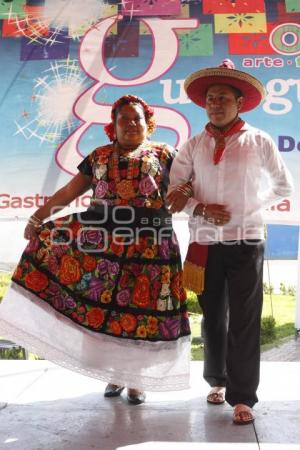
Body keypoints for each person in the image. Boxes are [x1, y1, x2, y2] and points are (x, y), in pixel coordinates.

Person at [0, 95, 191, 405]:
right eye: (123, 119)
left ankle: (136, 381)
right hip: (101, 246)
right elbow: (69, 191)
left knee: (142, 311)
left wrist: (188, 191)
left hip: (151, 245)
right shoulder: (98, 156)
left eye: (136, 119)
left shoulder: (166, 154)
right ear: (112, 126)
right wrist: (38, 217)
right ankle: (116, 374)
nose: (130, 124)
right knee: (108, 309)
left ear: (149, 124)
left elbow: (190, 185)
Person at [167, 60, 294, 423]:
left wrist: (248, 205)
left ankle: (243, 399)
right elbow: (174, 190)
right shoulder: (192, 145)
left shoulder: (259, 140)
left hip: (247, 240)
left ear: (240, 102)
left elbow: (283, 186)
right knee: (213, 318)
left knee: (244, 318)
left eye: (223, 97)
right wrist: (200, 208)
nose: (215, 103)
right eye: (210, 98)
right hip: (204, 241)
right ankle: (217, 381)